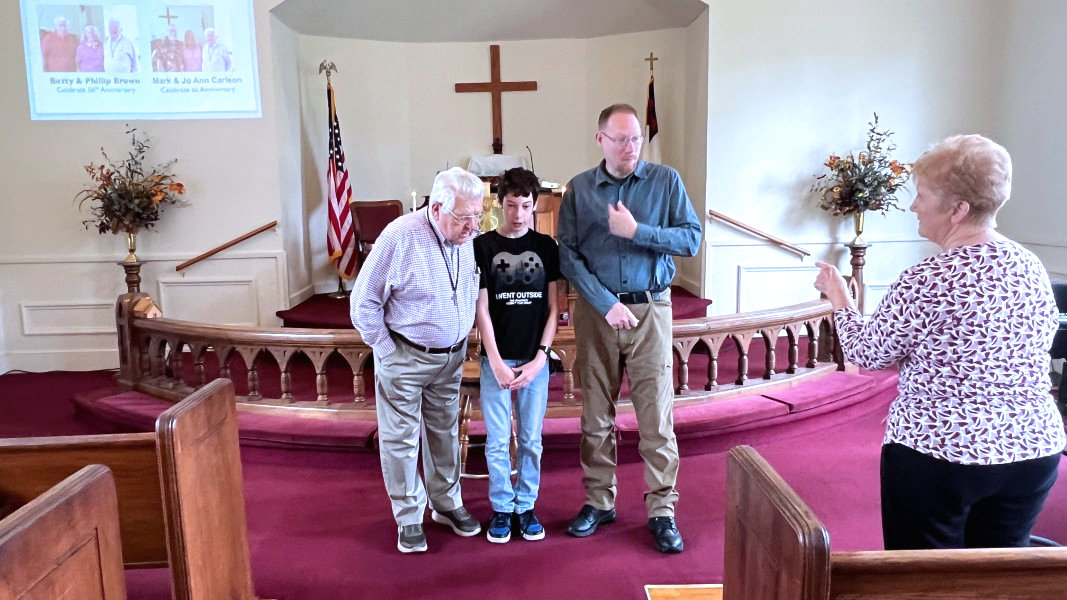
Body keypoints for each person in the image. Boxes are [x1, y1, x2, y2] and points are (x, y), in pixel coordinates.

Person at [814, 134, 1065, 550]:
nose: (913, 206)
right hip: (1032, 450)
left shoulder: (927, 278)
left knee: (924, 577)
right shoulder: (1030, 266)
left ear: (958, 210)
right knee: (998, 576)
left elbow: (866, 353)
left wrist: (839, 296)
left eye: (922, 195)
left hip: (941, 453)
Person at [557, 103, 701, 553]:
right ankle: (599, 502)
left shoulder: (665, 181)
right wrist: (606, 304)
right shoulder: (579, 189)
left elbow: (691, 239)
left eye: (636, 138)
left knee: (656, 415)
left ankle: (662, 510)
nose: (631, 147)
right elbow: (568, 256)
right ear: (600, 140)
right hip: (598, 313)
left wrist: (638, 231)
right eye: (620, 139)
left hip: (650, 309)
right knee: (595, 414)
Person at [350, 167, 484, 553]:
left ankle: (446, 503)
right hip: (405, 356)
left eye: (478, 215)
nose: (473, 226)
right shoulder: (400, 236)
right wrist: (387, 351)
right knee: (401, 439)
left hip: (451, 358)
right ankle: (409, 516)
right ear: (437, 208)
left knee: (444, 432)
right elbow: (363, 302)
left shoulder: (467, 236)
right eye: (464, 217)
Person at [473, 167, 559, 544]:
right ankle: (501, 507)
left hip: (533, 359)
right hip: (497, 358)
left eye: (525, 205)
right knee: (496, 440)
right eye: (511, 205)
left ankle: (525, 505)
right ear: (500, 204)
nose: (519, 214)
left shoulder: (546, 247)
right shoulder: (483, 246)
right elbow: (481, 308)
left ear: (535, 204)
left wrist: (541, 358)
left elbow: (554, 309)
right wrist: (493, 360)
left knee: (530, 439)